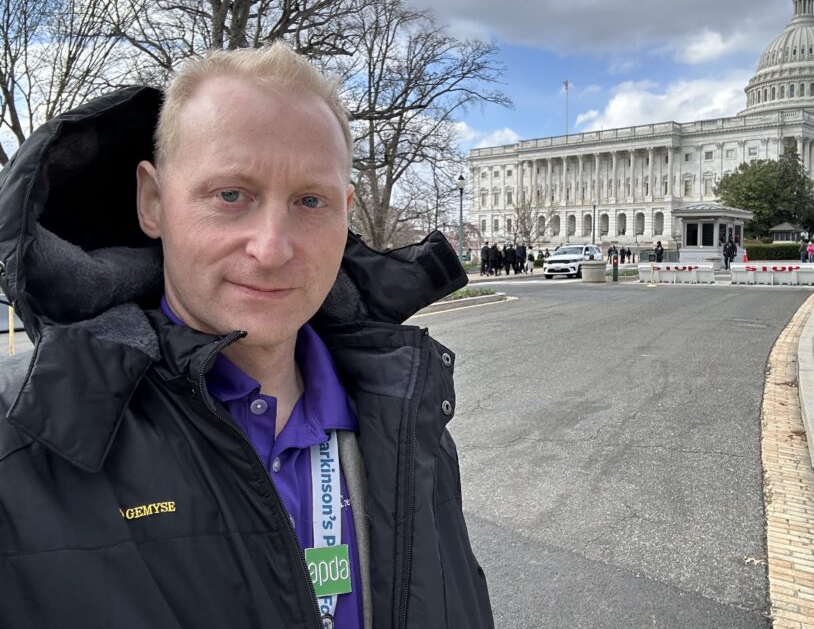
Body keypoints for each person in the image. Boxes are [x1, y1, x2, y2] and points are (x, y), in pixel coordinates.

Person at [0, 44, 493, 628]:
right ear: (153, 202)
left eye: (311, 201)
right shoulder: (24, 443)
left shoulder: (405, 418)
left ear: (345, 212)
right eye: (231, 195)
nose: (273, 249)